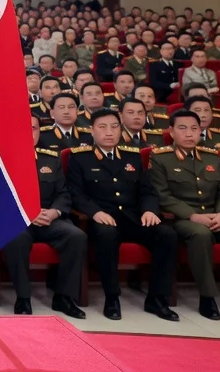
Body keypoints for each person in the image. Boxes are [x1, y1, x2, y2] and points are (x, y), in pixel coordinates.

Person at [150, 110, 220, 320]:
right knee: (201, 234)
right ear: (171, 132)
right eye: (182, 128)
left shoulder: (212, 157)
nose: (189, 134)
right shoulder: (160, 158)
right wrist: (193, 216)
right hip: (182, 220)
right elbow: (163, 196)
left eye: (194, 129)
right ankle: (208, 297)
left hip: (215, 216)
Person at [66, 108, 179, 321]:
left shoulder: (132, 157)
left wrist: (150, 210)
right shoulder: (80, 158)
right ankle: (112, 297)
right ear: (92, 131)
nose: (109, 132)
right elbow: (76, 194)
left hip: (134, 218)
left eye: (114, 127)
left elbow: (147, 190)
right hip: (103, 219)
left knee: (167, 235)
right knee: (107, 236)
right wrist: (95, 212)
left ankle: (157, 299)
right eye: (103, 127)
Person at [2, 112, 87, 318]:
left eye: (34, 128)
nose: (30, 133)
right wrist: (28, 213)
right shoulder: (3, 160)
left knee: (77, 236)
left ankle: (64, 297)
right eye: (24, 128)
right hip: (19, 219)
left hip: (49, 218)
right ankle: (23, 298)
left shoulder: (51, 158)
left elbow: (63, 193)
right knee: (16, 238)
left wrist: (55, 212)